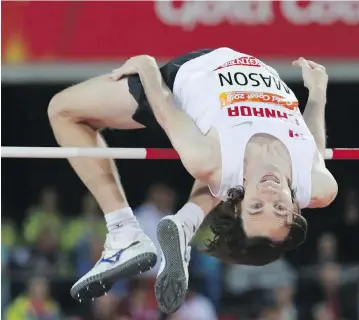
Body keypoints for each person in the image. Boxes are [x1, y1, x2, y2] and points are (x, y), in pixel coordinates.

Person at [47, 48, 338, 312]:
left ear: (238, 203)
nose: (270, 195)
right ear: (296, 206)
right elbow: (311, 143)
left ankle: (123, 230)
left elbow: (164, 107)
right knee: (221, 172)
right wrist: (317, 94)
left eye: (256, 207)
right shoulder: (319, 186)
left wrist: (147, 67)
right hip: (251, 72)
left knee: (62, 110)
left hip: (187, 76)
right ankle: (185, 225)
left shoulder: (210, 159)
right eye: (280, 209)